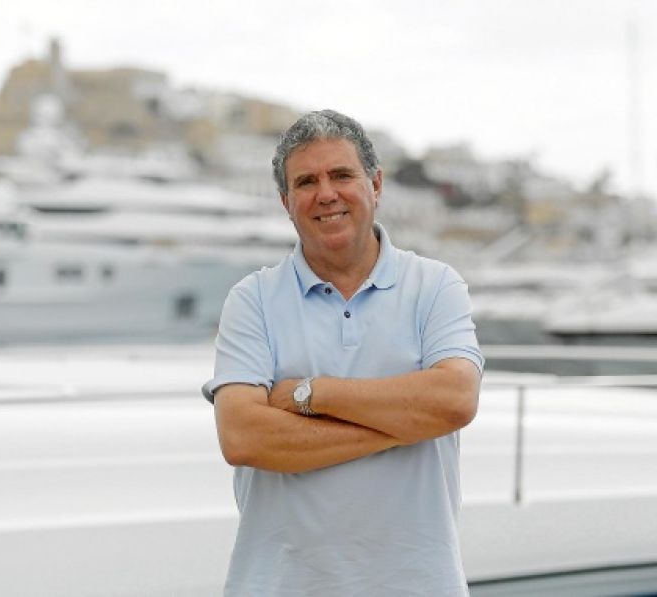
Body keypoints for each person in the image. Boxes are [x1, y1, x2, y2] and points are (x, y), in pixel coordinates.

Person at [202, 109, 484, 596]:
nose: (326, 193)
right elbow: (244, 437)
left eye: (341, 175)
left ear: (375, 185)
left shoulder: (436, 285)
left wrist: (312, 394)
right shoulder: (252, 300)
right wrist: (407, 423)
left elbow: (454, 401)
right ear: (286, 202)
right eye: (306, 181)